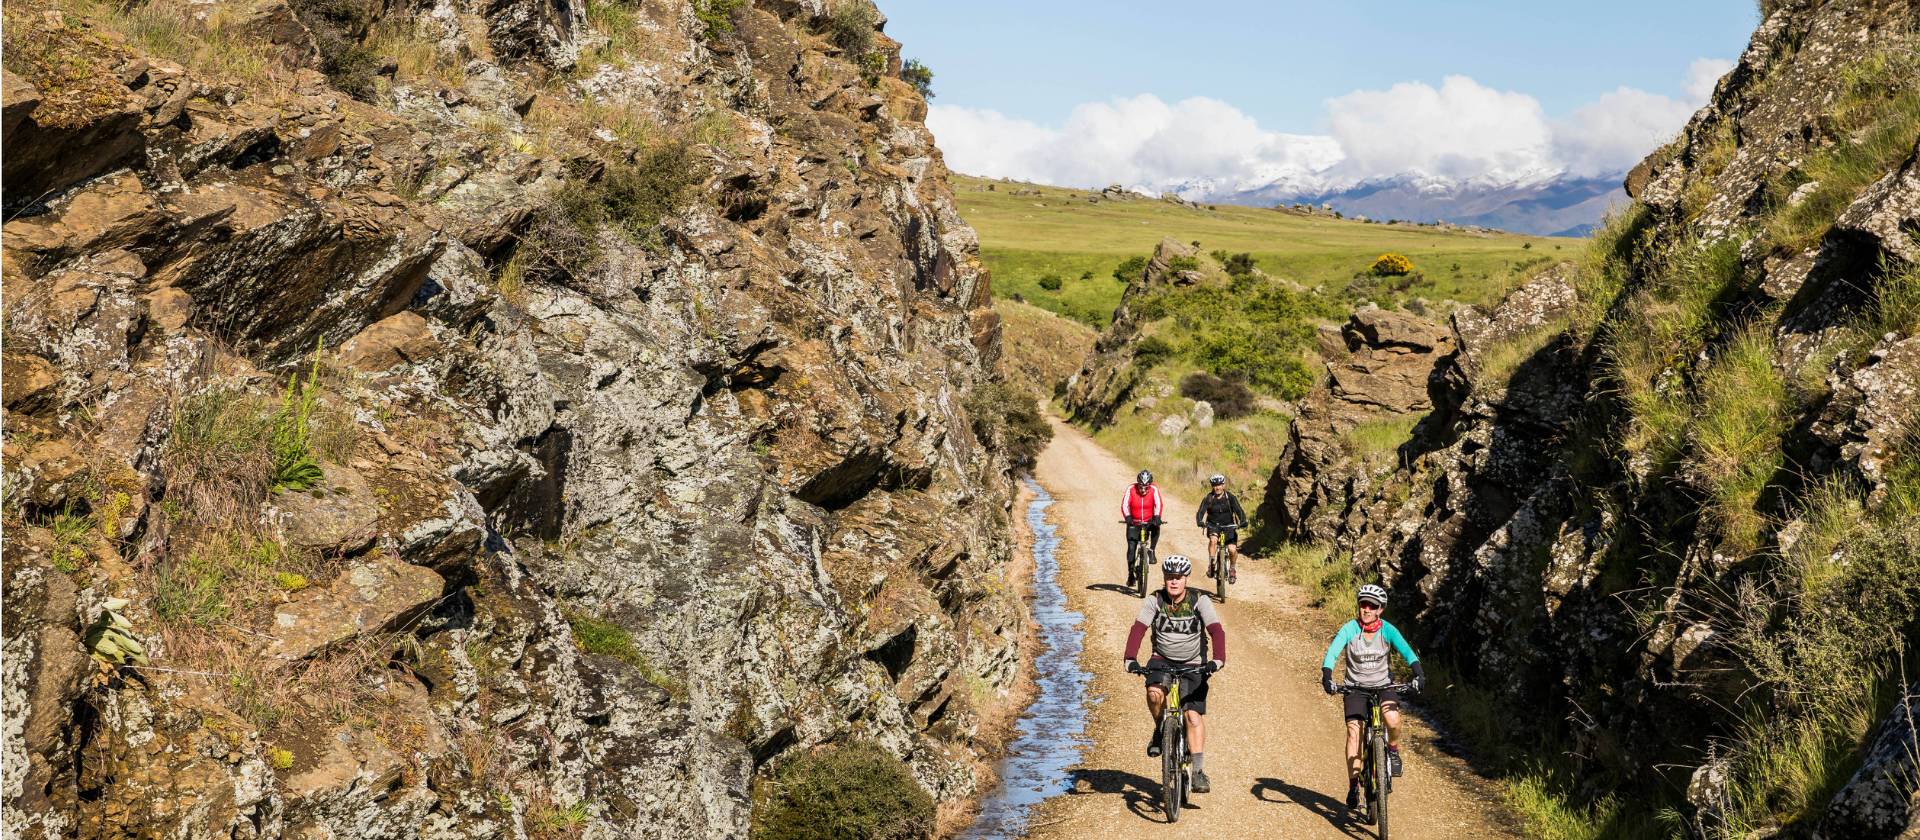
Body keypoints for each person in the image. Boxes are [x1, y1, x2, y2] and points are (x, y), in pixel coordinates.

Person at [1124, 555, 1226, 793]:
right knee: (1154, 694)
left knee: (1192, 716)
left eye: (1178, 578)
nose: (1173, 582)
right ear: (1164, 579)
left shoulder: (1199, 600)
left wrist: (1218, 659)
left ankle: (1199, 772)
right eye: (1169, 577)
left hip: (1194, 663)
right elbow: (1138, 629)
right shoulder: (1155, 600)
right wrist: (1130, 658)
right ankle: (1161, 730)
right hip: (1162, 659)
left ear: (1186, 579)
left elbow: (1216, 631)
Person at [1320, 583, 1426, 810]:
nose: (1366, 609)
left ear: (1380, 609)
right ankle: (1353, 787)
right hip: (1355, 688)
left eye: (1372, 606)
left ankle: (1393, 752)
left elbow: (1407, 652)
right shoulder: (1349, 629)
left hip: (1383, 686)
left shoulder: (1388, 630)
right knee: (1354, 733)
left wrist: (1418, 673)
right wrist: (1327, 675)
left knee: (1393, 720)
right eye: (1363, 604)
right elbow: (1332, 653)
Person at [1194, 474, 1247, 585]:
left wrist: (1242, 521)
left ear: (1223, 485)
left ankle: (1232, 569)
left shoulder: (1230, 497)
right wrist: (1200, 521)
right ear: (1212, 486)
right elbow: (1201, 511)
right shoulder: (1209, 498)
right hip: (1213, 525)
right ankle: (1212, 563)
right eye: (1214, 485)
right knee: (1213, 540)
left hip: (1229, 526)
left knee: (1232, 550)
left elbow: (1239, 510)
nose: (1217, 487)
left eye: (1219, 485)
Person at [1120, 469, 1163, 589]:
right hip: (1134, 521)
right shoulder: (1131, 489)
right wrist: (1128, 517)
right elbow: (1124, 505)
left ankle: (1151, 550)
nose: (1143, 489)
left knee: (1157, 526)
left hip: (1149, 521)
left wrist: (1157, 516)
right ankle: (1130, 575)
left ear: (1150, 485)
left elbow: (1158, 504)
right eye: (1141, 486)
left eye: (1146, 487)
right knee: (1131, 549)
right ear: (1137, 484)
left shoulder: (1154, 489)